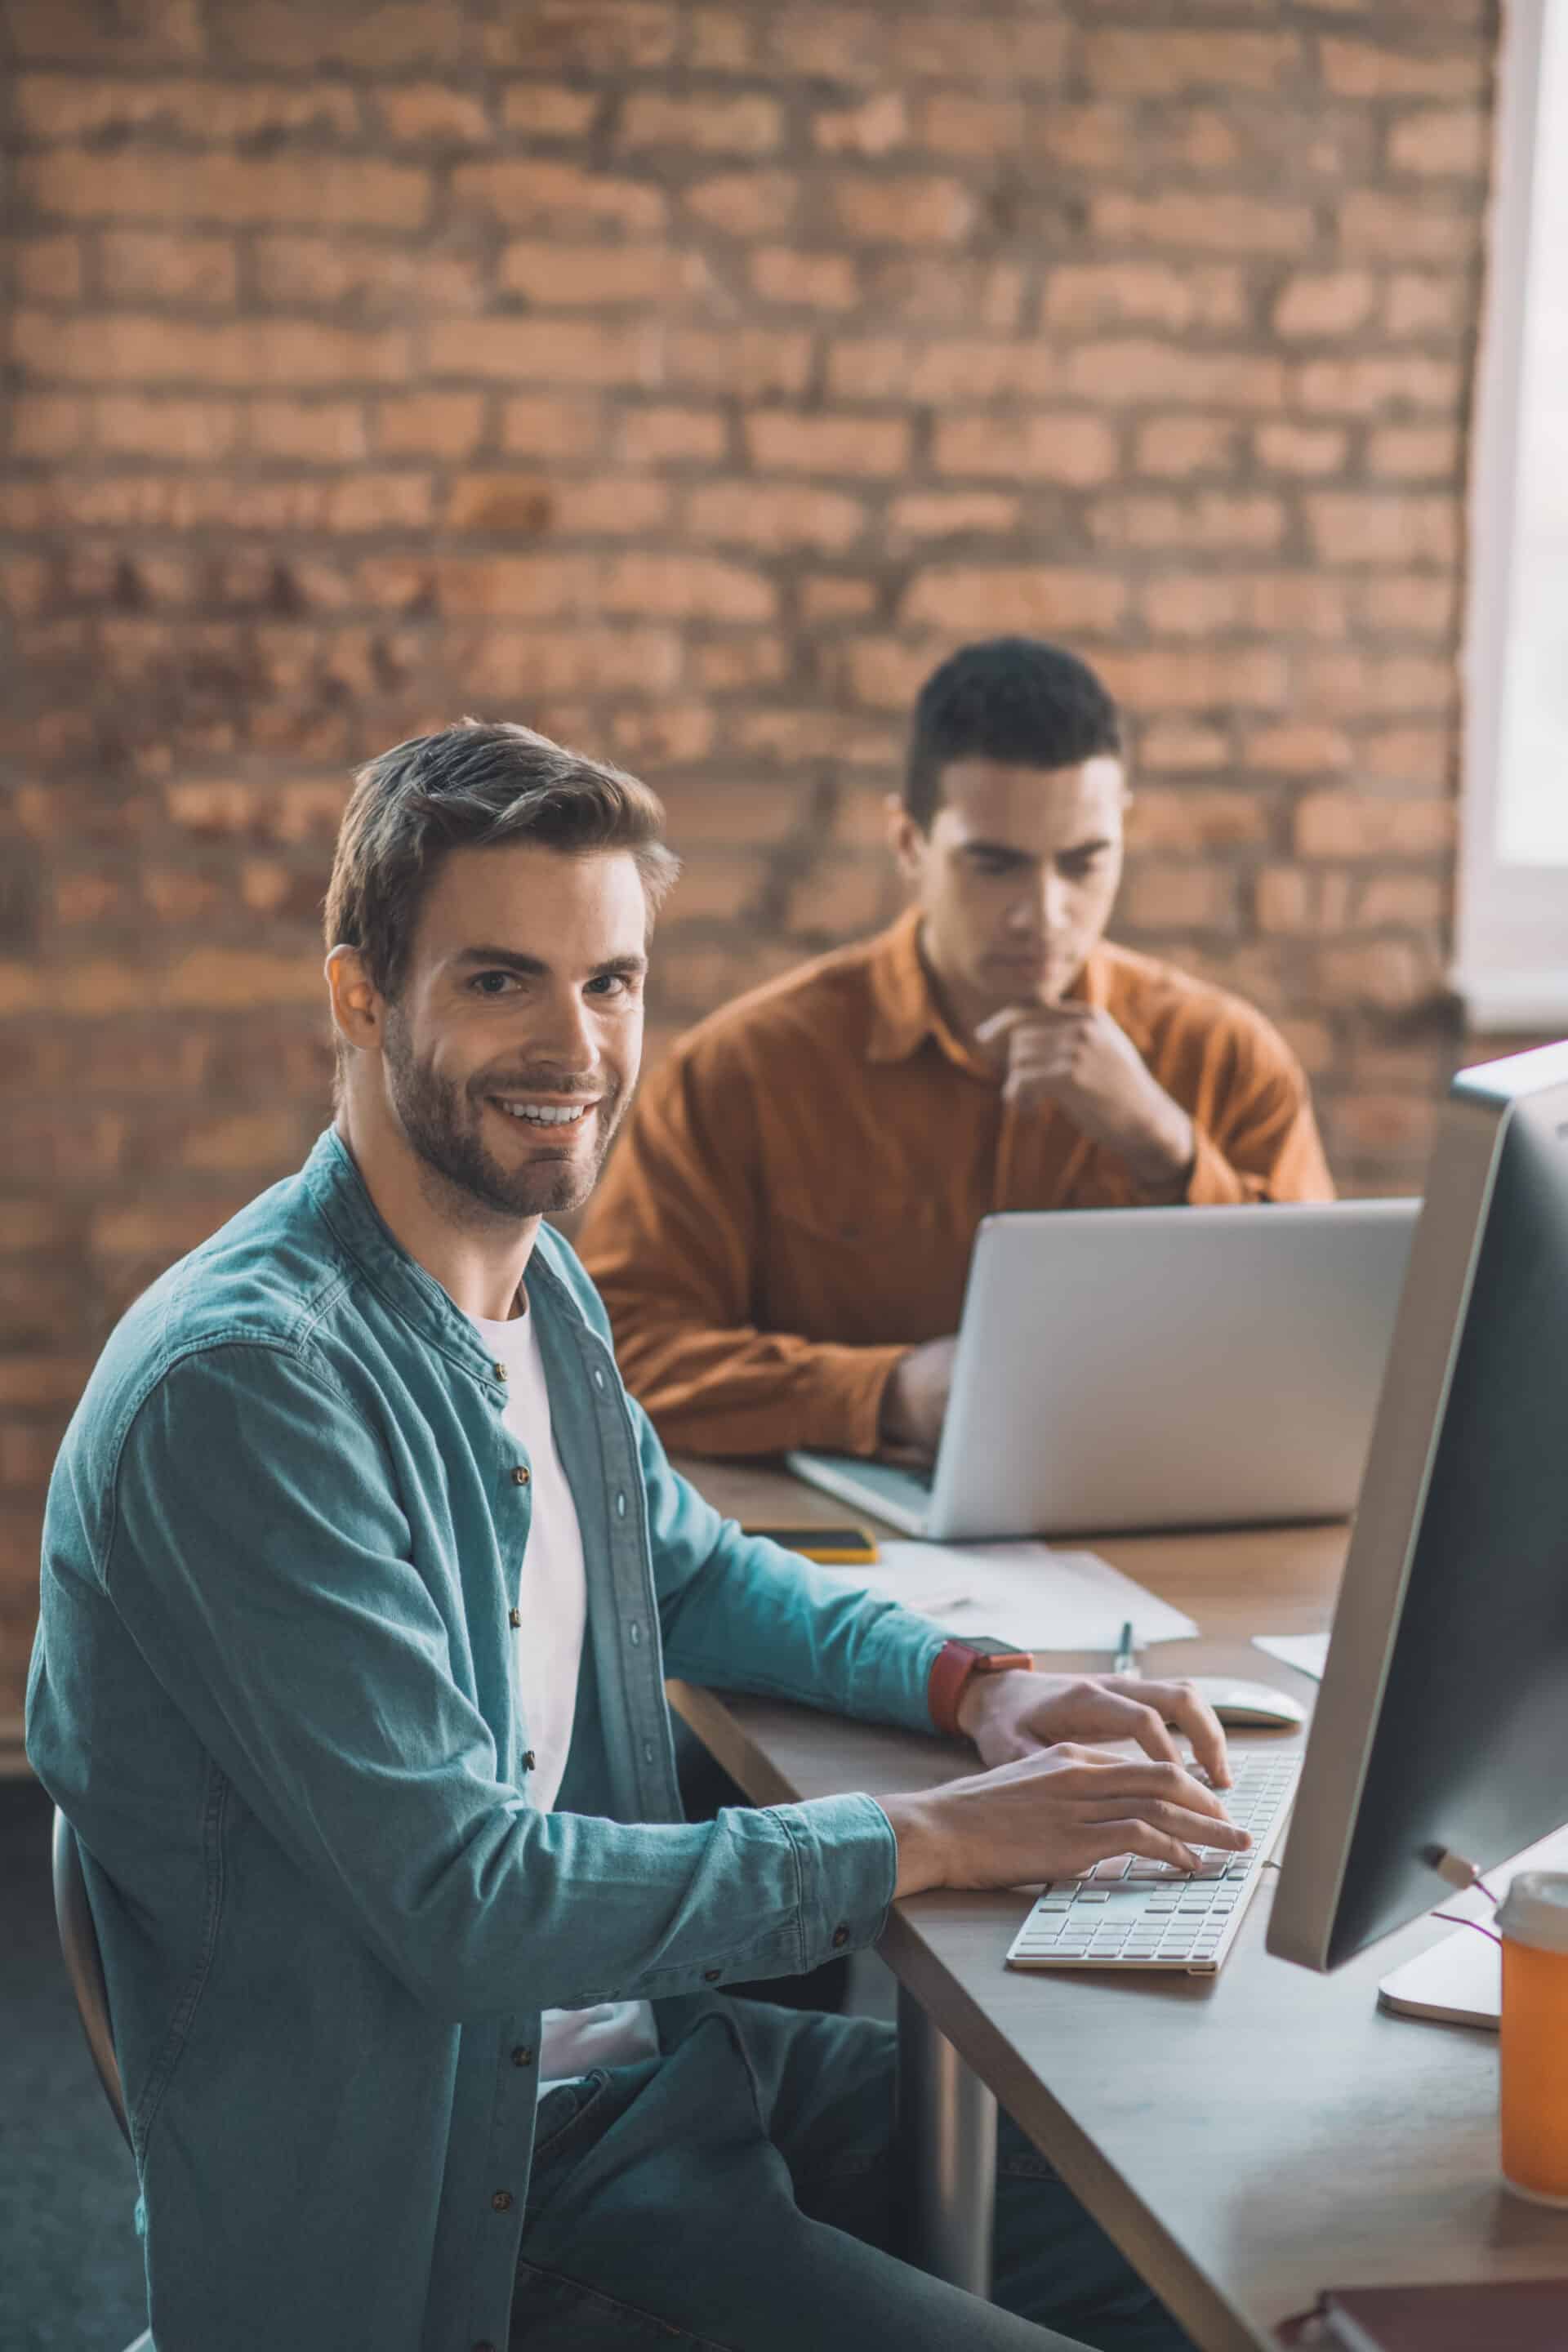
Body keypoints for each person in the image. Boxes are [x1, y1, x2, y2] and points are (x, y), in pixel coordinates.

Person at [29, 720, 1250, 2352]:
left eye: (610, 983)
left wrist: (978, 1688)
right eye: (501, 981)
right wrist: (940, 1838)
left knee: (1208, 2219)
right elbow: (471, 1902)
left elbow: (682, 1565)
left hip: (652, 2071)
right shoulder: (250, 1391)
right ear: (360, 998)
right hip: (469, 2194)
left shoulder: (535, 1282)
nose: (576, 1046)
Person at [578, 636, 1334, 1462]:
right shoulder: (741, 1073)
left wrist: (1166, 1147)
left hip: (1175, 1514)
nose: (1043, 914)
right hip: (840, 1532)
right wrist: (888, 1393)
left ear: (1124, 831)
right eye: (996, 866)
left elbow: (1325, 1355)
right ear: (909, 842)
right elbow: (618, 1354)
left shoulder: (1229, 1060)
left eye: (1084, 863)